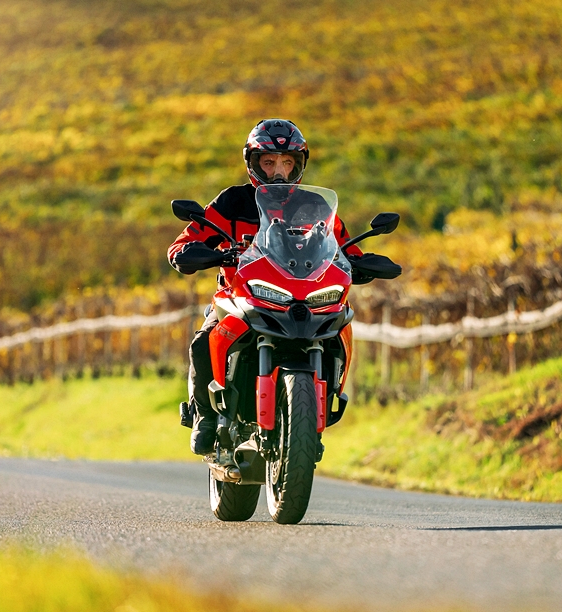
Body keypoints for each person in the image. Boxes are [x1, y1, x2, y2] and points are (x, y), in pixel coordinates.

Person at [168, 119, 399, 455]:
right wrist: (190, 252)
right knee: (204, 340)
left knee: (339, 328)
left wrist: (361, 263)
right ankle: (205, 415)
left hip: (304, 297)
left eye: (287, 162)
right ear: (253, 163)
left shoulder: (316, 206)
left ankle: (316, 412)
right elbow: (188, 239)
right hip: (242, 294)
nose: (278, 172)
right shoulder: (232, 202)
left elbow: (344, 248)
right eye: (269, 162)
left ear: (299, 165)